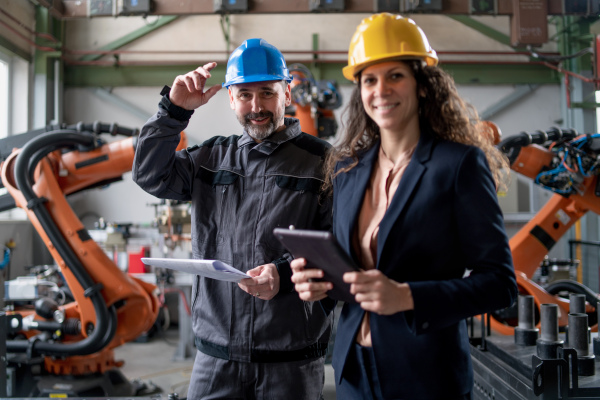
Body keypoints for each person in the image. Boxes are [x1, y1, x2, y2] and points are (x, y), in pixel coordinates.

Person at [290, 13, 518, 400]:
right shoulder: (347, 169)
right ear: (360, 90)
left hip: (425, 375)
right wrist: (319, 284)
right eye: (370, 79)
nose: (381, 90)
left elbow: (500, 285)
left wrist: (409, 297)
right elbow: (352, 276)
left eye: (395, 75)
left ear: (422, 85)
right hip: (352, 373)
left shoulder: (458, 165)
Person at [133, 38, 333, 400]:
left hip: (289, 363)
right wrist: (173, 111)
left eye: (266, 93)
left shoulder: (323, 162)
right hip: (215, 361)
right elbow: (149, 174)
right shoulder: (210, 157)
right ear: (230, 99)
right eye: (244, 95)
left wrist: (283, 275)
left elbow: (339, 246)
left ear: (286, 93)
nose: (256, 106)